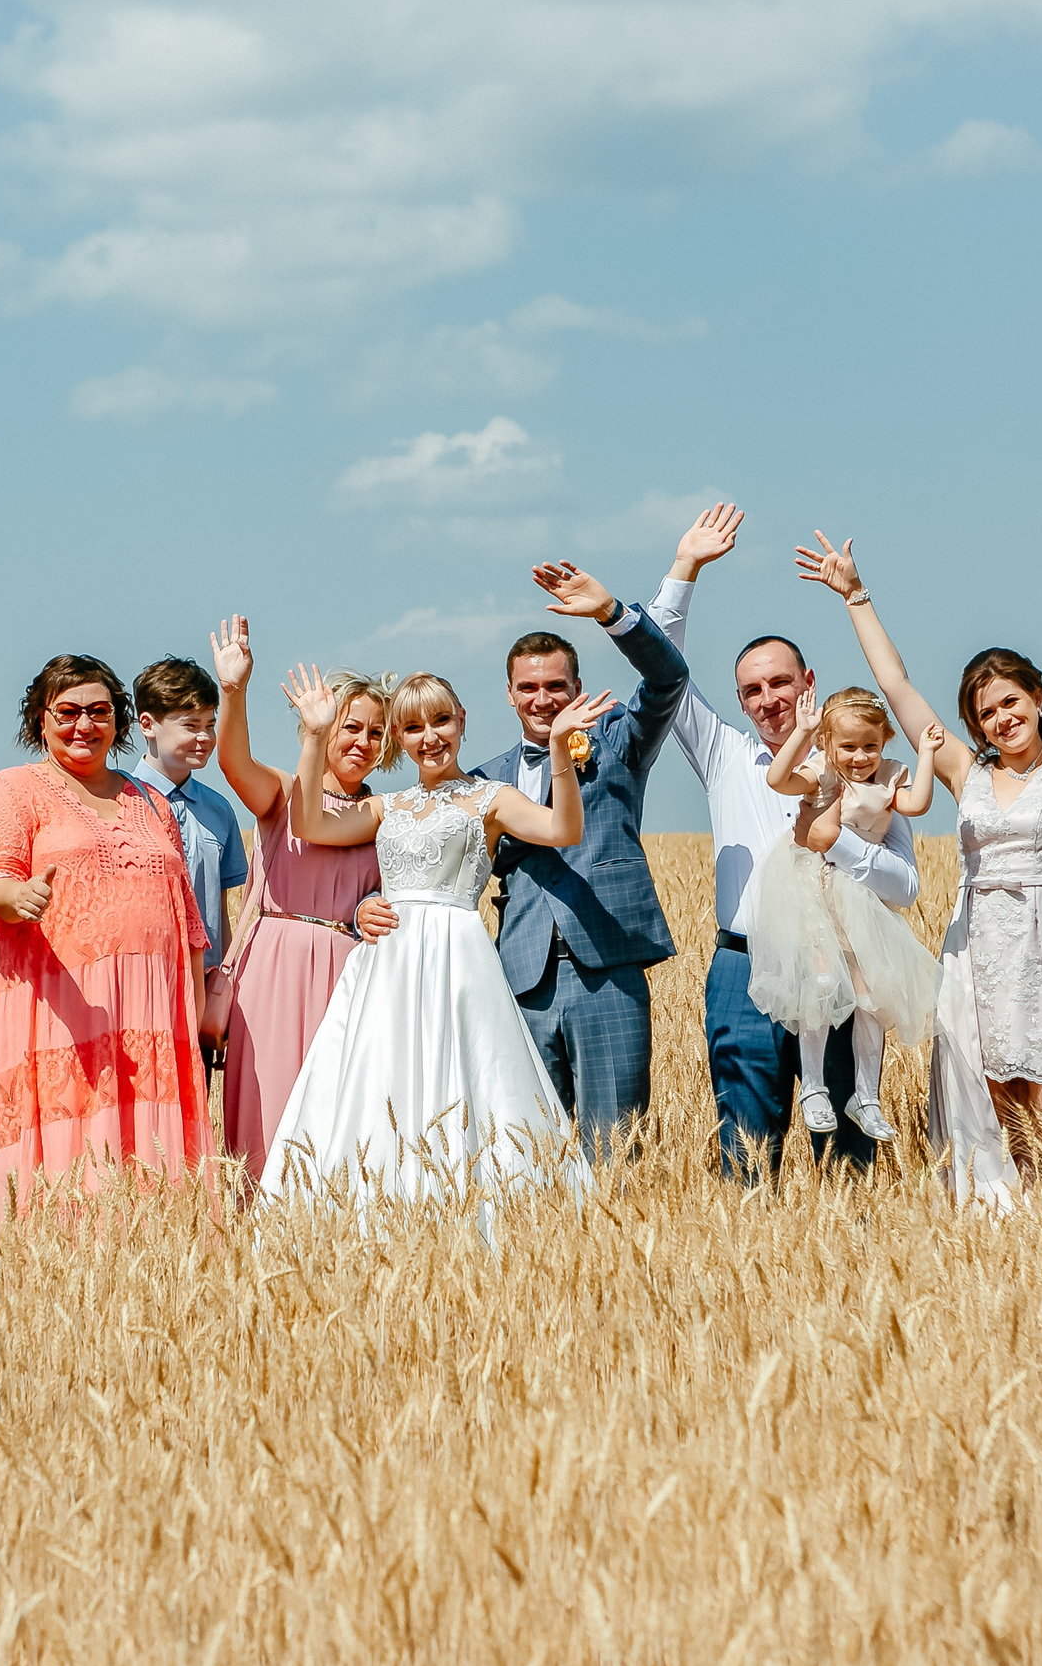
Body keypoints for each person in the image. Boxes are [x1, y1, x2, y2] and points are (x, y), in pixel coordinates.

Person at [796, 513, 1042, 1208]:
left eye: (1011, 701)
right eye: (986, 711)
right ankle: (1002, 1209)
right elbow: (899, 688)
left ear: (1037, 699)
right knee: (988, 1077)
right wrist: (855, 596)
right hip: (975, 942)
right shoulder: (965, 772)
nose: (1001, 717)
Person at [258, 666, 611, 1211]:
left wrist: (560, 748)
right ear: (399, 738)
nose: (431, 737)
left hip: (457, 959)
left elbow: (562, 830)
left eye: (441, 720)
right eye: (414, 727)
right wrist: (312, 735)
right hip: (389, 964)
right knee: (379, 1081)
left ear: (462, 721)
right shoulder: (386, 808)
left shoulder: (491, 799)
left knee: (470, 1078)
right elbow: (309, 825)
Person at [645, 506, 925, 1177]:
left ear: (809, 686)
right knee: (743, 1152)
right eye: (751, 690)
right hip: (746, 971)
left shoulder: (864, 769)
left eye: (779, 683)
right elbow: (661, 667)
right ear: (739, 702)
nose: (767, 699)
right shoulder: (723, 756)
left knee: (848, 1163)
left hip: (844, 959)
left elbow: (905, 887)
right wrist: (684, 567)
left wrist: (835, 843)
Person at [0, 654, 210, 1229]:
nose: (83, 725)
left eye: (99, 711)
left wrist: (189, 1020)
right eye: (67, 712)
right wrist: (14, 897)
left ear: (119, 720)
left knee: (151, 1170)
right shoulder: (15, 788)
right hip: (59, 1010)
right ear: (40, 720)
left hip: (151, 1018)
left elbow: (187, 921)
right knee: (61, 1166)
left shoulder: (150, 802)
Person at [461, 562, 688, 1153]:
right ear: (509, 695)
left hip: (607, 966)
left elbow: (669, 679)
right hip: (521, 978)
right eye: (529, 688)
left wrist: (612, 613)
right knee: (527, 1151)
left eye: (556, 686)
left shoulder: (616, 742)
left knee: (614, 1148)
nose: (543, 699)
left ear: (576, 689)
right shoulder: (484, 782)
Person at [208, 618, 388, 1186]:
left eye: (375, 733)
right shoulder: (284, 794)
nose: (361, 741)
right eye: (349, 725)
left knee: (340, 1123)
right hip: (274, 969)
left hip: (349, 974)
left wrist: (368, 908)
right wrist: (232, 691)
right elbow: (233, 762)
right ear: (322, 726)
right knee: (265, 1118)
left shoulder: (386, 815)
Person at [749, 687, 943, 1140]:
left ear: (885, 741)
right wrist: (800, 733)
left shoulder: (891, 776)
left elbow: (916, 804)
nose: (860, 757)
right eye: (848, 746)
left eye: (870, 746)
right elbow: (778, 780)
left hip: (861, 899)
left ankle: (865, 1095)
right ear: (829, 745)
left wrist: (929, 754)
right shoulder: (822, 772)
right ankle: (813, 1087)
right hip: (813, 887)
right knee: (818, 984)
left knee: (871, 998)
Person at [129, 655, 250, 1084]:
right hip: (137, 983)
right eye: (190, 725)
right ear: (148, 724)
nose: (204, 737)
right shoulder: (119, 801)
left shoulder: (219, 810)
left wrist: (223, 987)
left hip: (202, 985)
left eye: (210, 724)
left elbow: (221, 907)